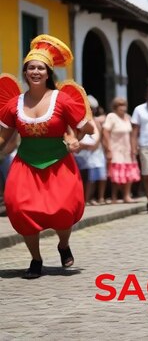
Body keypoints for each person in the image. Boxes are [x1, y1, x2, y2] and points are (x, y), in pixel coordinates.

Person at [0, 34, 94, 278]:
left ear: (48, 72)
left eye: (40, 68)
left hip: (59, 162)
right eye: (31, 67)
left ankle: (63, 245)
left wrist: (76, 139)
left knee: (63, 210)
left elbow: (88, 127)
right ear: (25, 72)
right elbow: (5, 135)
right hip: (25, 163)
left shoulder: (62, 100)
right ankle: (35, 259)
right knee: (19, 208)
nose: (35, 72)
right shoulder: (14, 104)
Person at [102, 97, 140, 204]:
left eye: (124, 105)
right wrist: (108, 148)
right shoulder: (111, 117)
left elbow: (132, 134)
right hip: (115, 149)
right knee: (116, 174)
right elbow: (105, 132)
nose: (123, 108)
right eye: (120, 105)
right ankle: (114, 196)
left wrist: (134, 147)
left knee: (128, 174)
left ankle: (126, 195)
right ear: (115, 107)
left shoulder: (128, 117)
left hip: (127, 149)